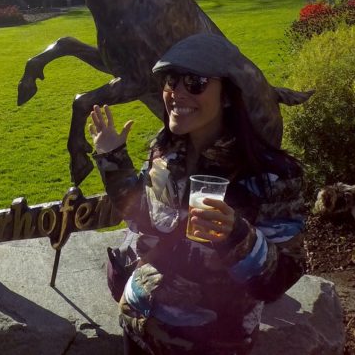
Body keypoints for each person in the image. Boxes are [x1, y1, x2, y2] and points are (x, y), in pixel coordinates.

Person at [89, 34, 306, 355]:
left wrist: (237, 235)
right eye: (170, 80)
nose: (176, 92)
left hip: (210, 344)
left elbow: (280, 278)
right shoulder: (165, 154)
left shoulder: (272, 177)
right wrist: (113, 159)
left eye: (195, 82)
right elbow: (145, 219)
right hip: (139, 325)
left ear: (228, 96)